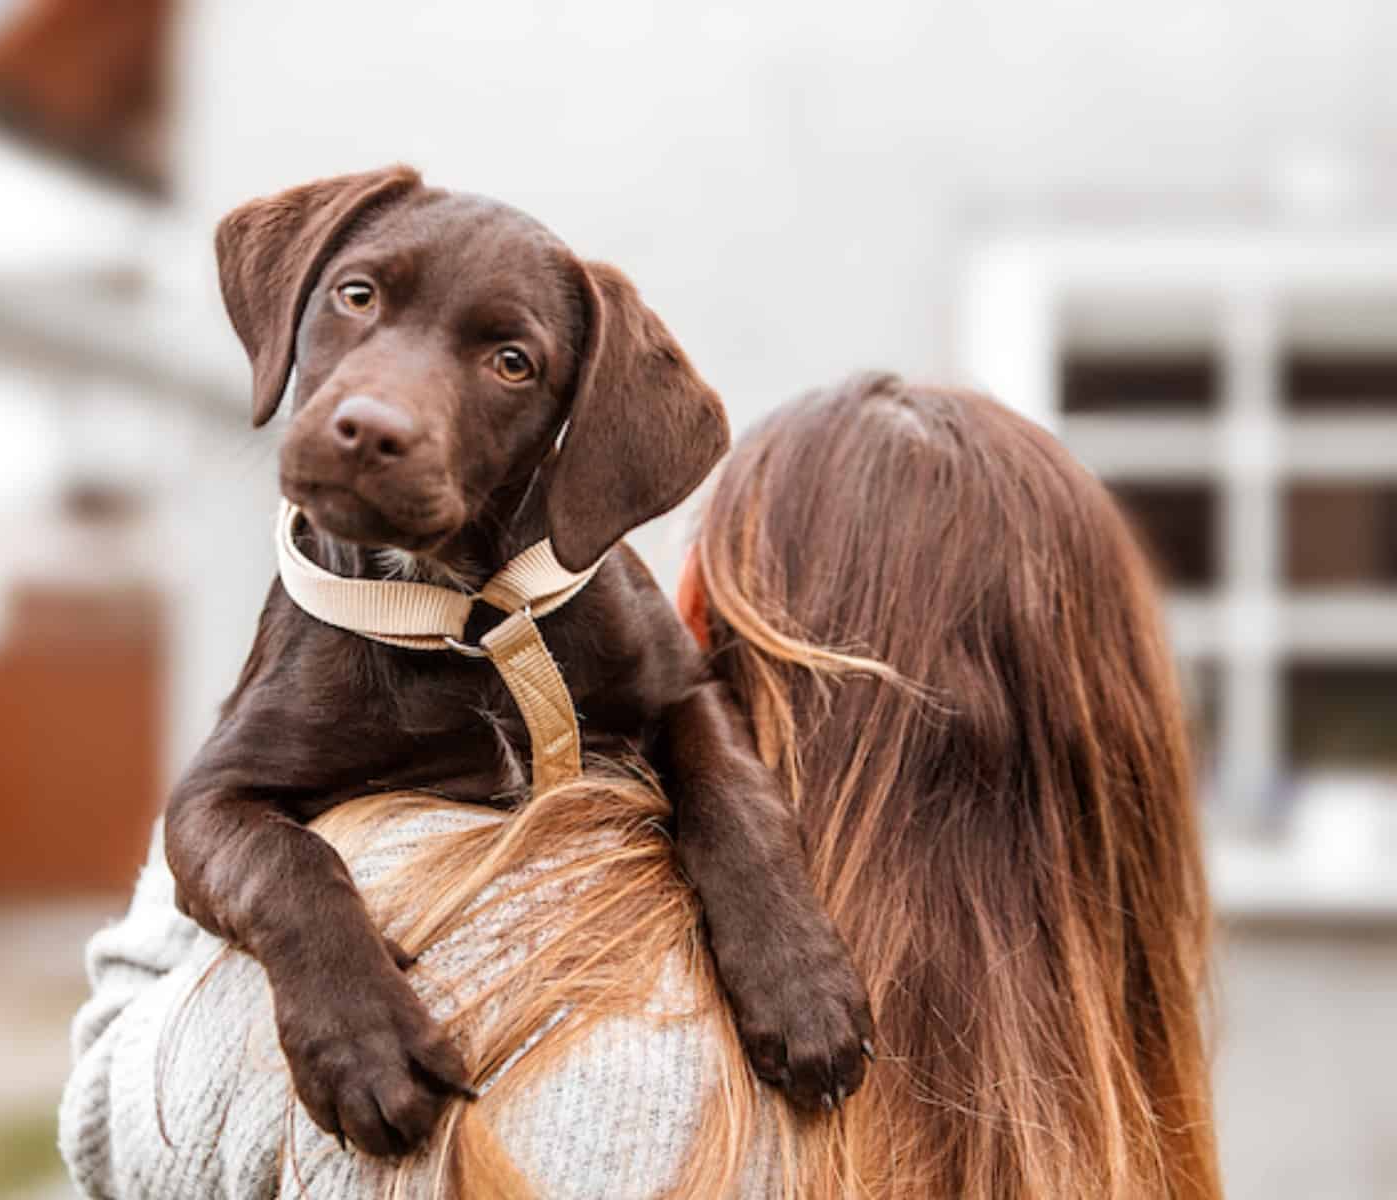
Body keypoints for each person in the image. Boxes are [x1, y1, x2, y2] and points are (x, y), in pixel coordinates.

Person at [59, 373, 1223, 1199]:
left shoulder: (466, 946)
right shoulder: (1101, 1120)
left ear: (707, 619)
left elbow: (114, 1117)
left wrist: (239, 780)